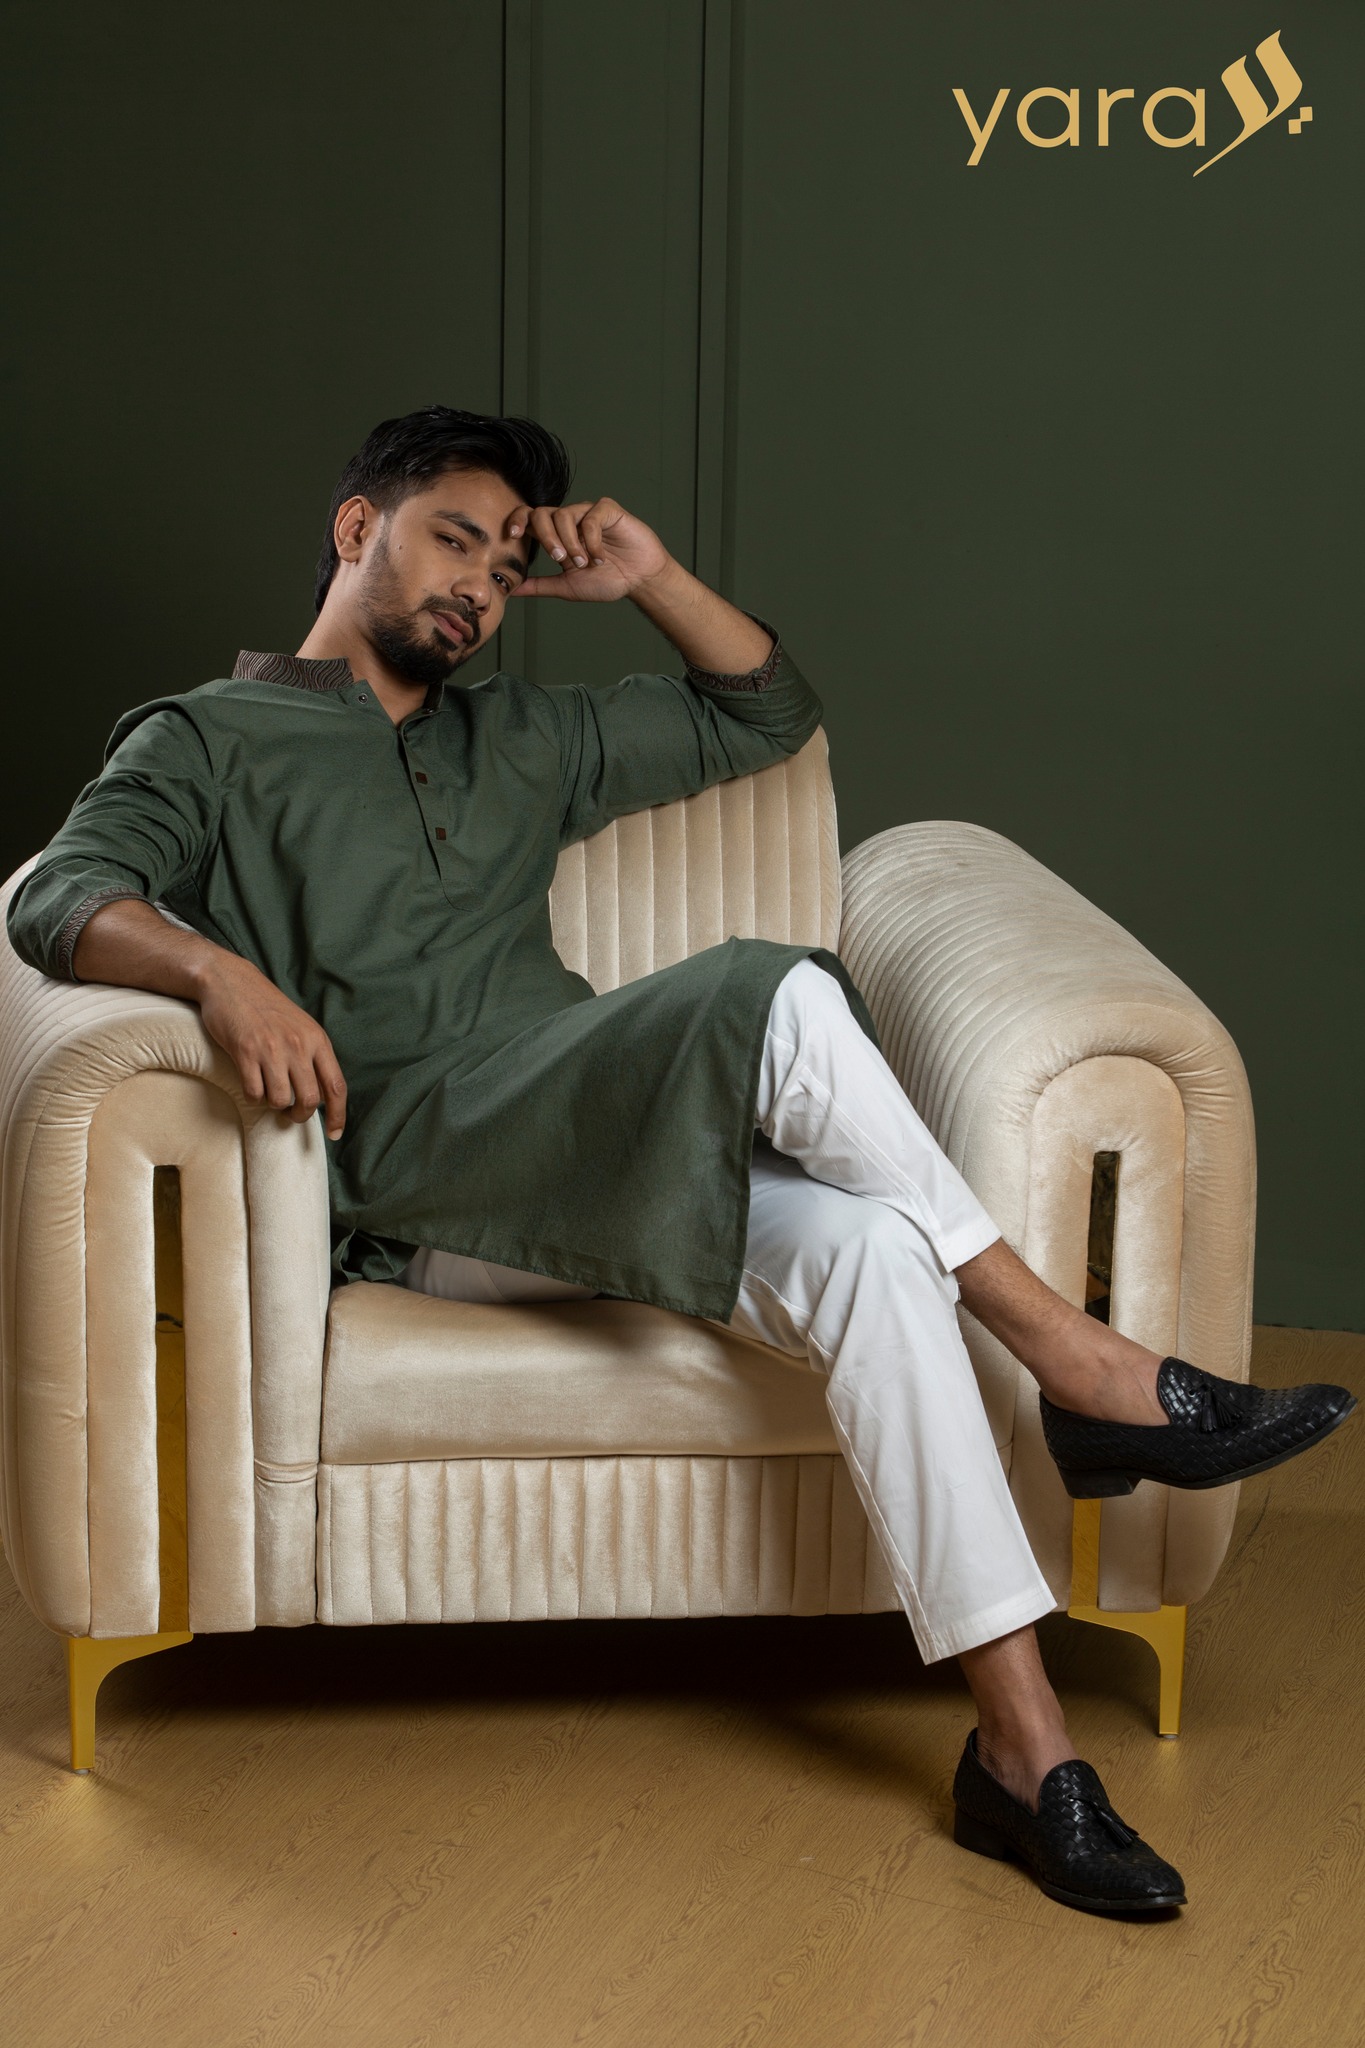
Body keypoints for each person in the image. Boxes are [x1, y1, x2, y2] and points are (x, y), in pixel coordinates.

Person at [7, 405, 1354, 1916]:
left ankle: (1022, 1752)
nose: (479, 588)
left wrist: (643, 573)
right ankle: (1076, 1360)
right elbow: (60, 894)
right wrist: (217, 976)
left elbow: (764, 710)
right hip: (422, 1176)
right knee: (773, 990)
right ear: (354, 529)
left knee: (872, 1255)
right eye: (454, 540)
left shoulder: (520, 737)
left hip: (588, 1140)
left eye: (506, 569)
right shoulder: (204, 735)